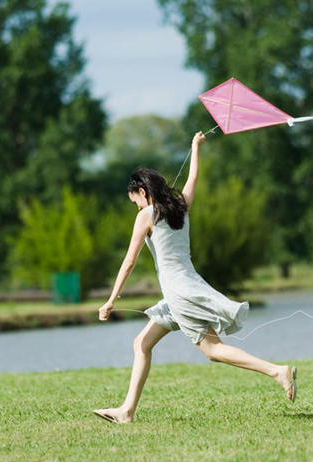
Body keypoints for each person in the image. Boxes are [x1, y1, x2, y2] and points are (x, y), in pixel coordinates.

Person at [93, 131, 296, 424]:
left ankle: (277, 371)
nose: (135, 206)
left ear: (142, 192)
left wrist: (110, 301)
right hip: (186, 288)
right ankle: (126, 411)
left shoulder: (147, 215)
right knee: (142, 343)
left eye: (134, 200)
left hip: (180, 294)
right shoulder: (181, 208)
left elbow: (129, 262)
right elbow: (192, 181)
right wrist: (195, 148)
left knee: (213, 350)